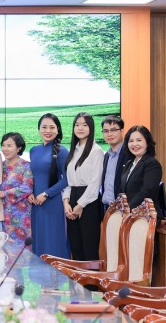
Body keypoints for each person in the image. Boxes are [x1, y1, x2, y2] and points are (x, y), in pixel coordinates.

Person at [62, 112, 104, 261]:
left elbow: (95, 183)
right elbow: (69, 182)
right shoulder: (73, 151)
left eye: (84, 125)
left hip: (89, 202)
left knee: (89, 248)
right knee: (76, 247)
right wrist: (66, 202)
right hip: (72, 197)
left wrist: (80, 205)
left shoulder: (96, 151)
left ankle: (91, 285)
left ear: (91, 128)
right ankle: (79, 285)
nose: (80, 128)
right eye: (77, 124)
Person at [29, 113, 70, 258]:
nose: (48, 130)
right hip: (36, 204)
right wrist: (30, 193)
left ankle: (56, 278)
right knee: (39, 240)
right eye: (44, 127)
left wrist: (46, 194)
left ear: (58, 130)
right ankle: (41, 279)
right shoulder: (34, 150)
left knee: (53, 241)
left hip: (52, 203)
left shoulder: (62, 151)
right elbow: (32, 176)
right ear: (39, 129)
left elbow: (67, 179)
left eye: (52, 127)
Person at [119, 125, 163, 218]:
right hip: (128, 216)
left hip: (145, 217)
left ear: (147, 142)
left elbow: (147, 191)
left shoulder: (152, 163)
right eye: (131, 141)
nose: (134, 144)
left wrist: (128, 209)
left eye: (139, 140)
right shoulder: (129, 164)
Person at [0, 132, 33, 245]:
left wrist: (5, 193)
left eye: (9, 145)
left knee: (21, 251)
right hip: (1, 213)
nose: (5, 149)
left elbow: (27, 188)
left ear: (19, 148)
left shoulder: (26, 166)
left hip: (20, 216)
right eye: (3, 145)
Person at [100, 115, 129, 209]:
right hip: (107, 208)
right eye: (106, 131)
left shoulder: (130, 154)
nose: (109, 134)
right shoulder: (106, 156)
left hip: (124, 208)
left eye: (113, 130)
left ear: (121, 131)